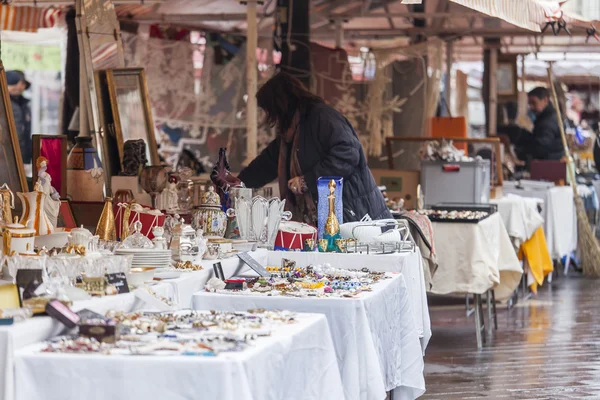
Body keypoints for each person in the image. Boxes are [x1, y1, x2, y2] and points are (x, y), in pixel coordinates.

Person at [235, 71, 391, 225]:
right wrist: (237, 184)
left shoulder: (321, 117)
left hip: (355, 214)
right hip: (332, 215)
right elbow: (266, 163)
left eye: (268, 110)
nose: (269, 115)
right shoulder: (292, 133)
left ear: (279, 105)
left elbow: (348, 153)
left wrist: (307, 180)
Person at [522, 87, 565, 162]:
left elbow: (541, 147)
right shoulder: (546, 117)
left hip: (549, 166)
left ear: (545, 100)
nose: (531, 107)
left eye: (534, 102)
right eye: (530, 103)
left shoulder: (548, 121)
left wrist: (524, 148)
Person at [7, 70, 32, 164]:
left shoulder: (24, 104)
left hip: (22, 155)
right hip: (6, 155)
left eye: (22, 84)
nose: (18, 87)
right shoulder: (3, 104)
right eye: (14, 83)